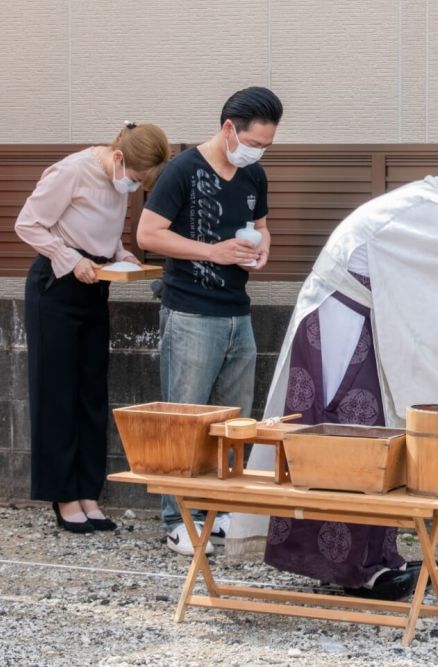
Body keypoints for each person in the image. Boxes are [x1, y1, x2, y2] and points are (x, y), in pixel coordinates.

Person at [227, 122, 438, 600]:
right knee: (353, 444)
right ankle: (356, 569)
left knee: (373, 439)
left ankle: (372, 560)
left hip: (357, 324)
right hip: (340, 332)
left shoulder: (427, 208)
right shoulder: (420, 211)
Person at [136, 87, 283, 556]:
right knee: (185, 417)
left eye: (266, 146)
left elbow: (262, 228)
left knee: (233, 421)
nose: (258, 152)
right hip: (189, 310)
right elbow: (147, 234)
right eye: (254, 142)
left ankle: (216, 512)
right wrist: (212, 252)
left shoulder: (253, 174)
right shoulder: (183, 170)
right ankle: (177, 518)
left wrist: (260, 251)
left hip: (238, 310)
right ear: (228, 129)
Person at [16, 122, 171, 533]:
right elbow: (28, 223)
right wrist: (68, 258)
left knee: (91, 392)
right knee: (57, 392)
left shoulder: (117, 179)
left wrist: (121, 254)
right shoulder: (72, 170)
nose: (134, 187)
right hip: (56, 286)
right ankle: (63, 495)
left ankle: (88, 491)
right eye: (136, 178)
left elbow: (101, 233)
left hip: (94, 284)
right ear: (119, 158)